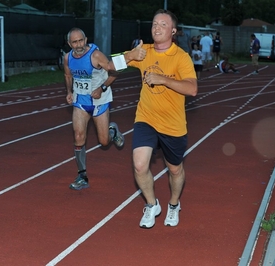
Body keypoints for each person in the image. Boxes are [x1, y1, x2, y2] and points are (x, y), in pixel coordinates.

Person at [108, 9, 198, 228]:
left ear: (173, 31)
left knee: (175, 169)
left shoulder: (181, 58)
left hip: (172, 124)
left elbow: (192, 89)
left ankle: (174, 204)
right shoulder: (143, 51)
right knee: (139, 166)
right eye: (155, 24)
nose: (157, 28)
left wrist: (164, 80)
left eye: (163, 25)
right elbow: (108, 65)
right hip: (146, 118)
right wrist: (130, 56)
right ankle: (151, 204)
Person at [64, 27, 125, 190]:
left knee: (104, 142)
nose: (79, 45)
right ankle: (82, 175)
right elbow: (68, 75)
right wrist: (69, 91)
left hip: (100, 101)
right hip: (80, 102)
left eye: (81, 40)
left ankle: (112, 131)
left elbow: (114, 72)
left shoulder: (95, 55)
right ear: (69, 44)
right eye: (75, 42)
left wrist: (102, 88)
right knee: (78, 136)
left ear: (86, 39)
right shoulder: (67, 58)